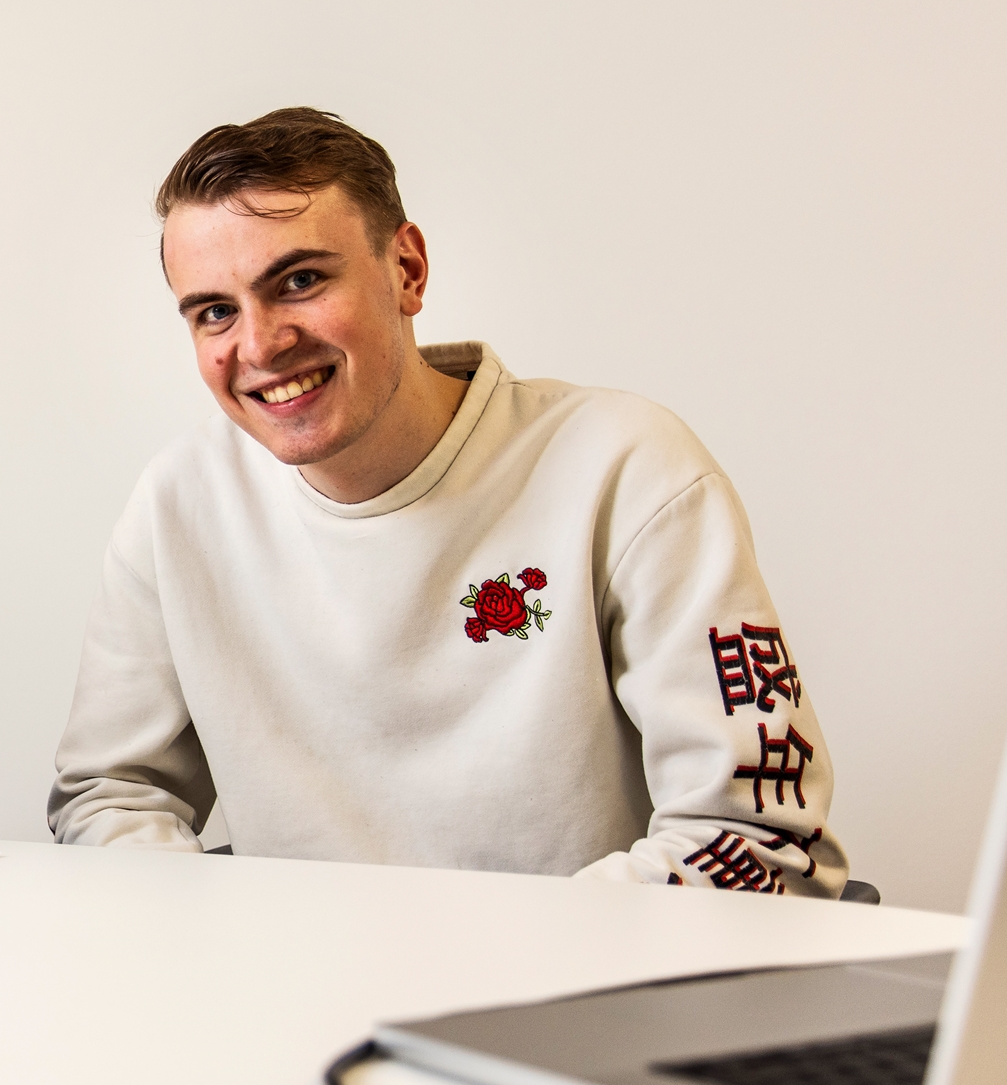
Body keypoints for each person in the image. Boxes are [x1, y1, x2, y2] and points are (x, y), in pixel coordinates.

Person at [49, 108, 848, 895]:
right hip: (292, 977)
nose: (259, 345)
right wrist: (227, 933)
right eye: (215, 311)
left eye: (300, 281)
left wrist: (504, 956)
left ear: (407, 270)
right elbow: (109, 792)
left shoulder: (629, 470)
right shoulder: (179, 506)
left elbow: (758, 838)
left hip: (579, 977)